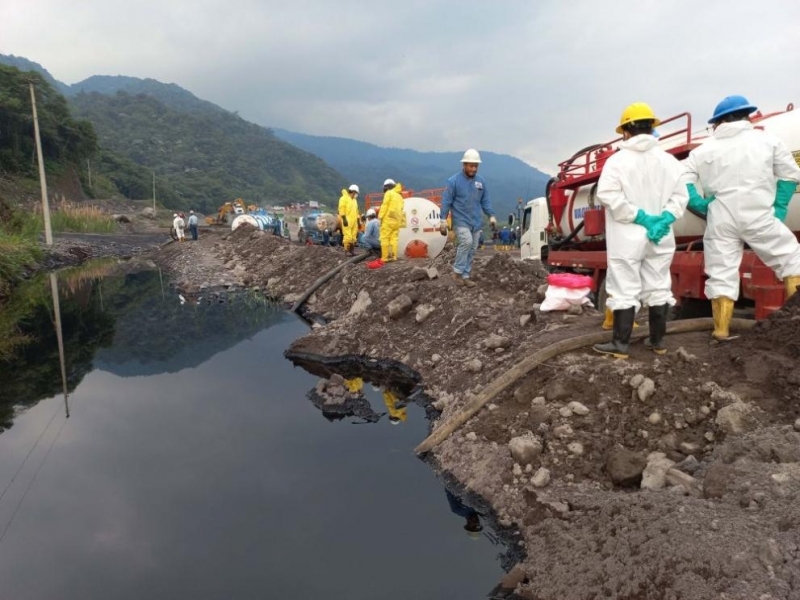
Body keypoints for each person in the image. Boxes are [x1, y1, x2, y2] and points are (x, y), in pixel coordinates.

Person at [682, 95, 800, 341]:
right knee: (791, 261)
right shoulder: (768, 141)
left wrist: (700, 204)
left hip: (720, 217)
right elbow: (790, 176)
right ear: (747, 116)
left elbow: (682, 182)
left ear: (718, 122)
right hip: (758, 213)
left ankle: (721, 331)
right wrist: (779, 208)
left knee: (721, 273)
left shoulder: (703, 150)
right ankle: (795, 326)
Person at [593, 102, 688, 359]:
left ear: (625, 131)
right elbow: (681, 196)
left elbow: (608, 195)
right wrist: (662, 219)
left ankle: (620, 345)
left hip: (627, 236)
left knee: (625, 286)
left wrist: (640, 217)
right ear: (652, 128)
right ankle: (657, 342)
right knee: (659, 285)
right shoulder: (670, 162)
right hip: (661, 234)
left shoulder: (617, 162)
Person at [439, 149, 496, 287]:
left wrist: (491, 215)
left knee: (472, 248)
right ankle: (457, 272)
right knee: (466, 242)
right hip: (460, 220)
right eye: (471, 165)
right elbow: (446, 201)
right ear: (464, 165)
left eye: (476, 166)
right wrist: (442, 219)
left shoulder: (481, 182)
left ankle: (465, 276)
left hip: (476, 221)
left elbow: (485, 201)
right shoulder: (453, 181)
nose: (473, 168)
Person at [377, 179, 405, 265]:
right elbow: (401, 209)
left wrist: (380, 217)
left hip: (388, 220)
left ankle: (385, 258)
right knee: (394, 239)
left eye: (384, 187)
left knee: (384, 238)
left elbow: (384, 206)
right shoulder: (399, 196)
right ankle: (393, 256)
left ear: (387, 186)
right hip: (396, 221)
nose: (384, 189)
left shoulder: (388, 193)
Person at [338, 184, 360, 256]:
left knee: (353, 236)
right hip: (347, 220)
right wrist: (344, 218)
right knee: (348, 236)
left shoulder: (354, 200)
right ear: (353, 192)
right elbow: (341, 209)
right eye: (356, 193)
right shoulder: (343, 198)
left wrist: (358, 221)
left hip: (354, 221)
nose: (356, 195)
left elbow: (356, 211)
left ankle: (352, 251)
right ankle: (346, 251)